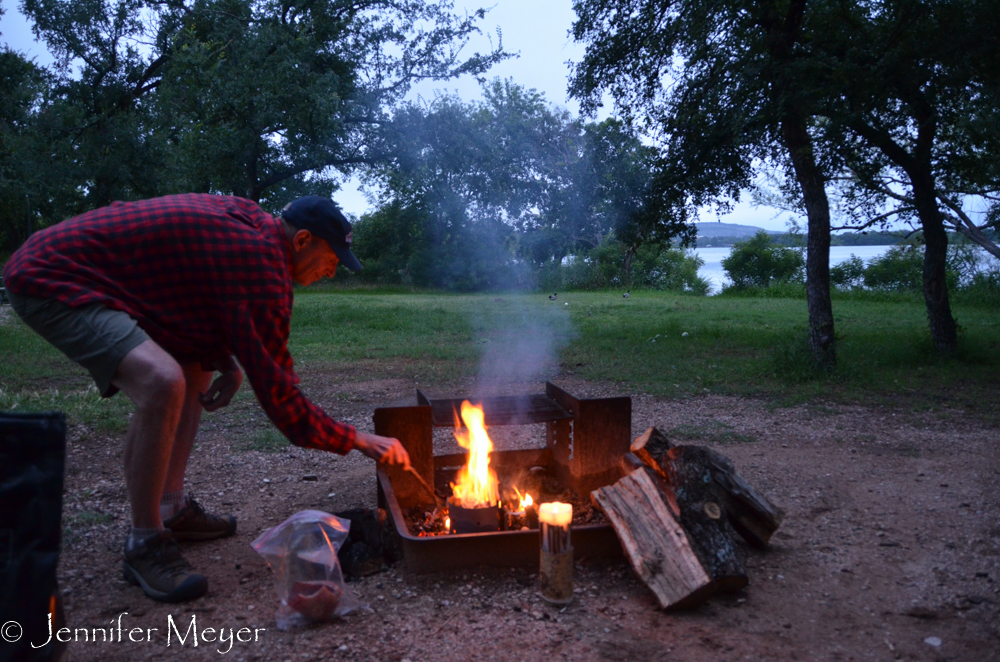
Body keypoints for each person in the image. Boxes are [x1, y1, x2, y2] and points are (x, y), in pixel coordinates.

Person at [2, 194, 411, 603]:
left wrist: (225, 361)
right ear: (302, 240)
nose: (332, 271)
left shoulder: (255, 230)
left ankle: (170, 507)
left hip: (97, 276)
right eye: (331, 259)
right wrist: (357, 439)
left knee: (196, 366)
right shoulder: (261, 269)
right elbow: (281, 399)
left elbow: (192, 291)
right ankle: (145, 542)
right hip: (53, 278)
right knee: (161, 382)